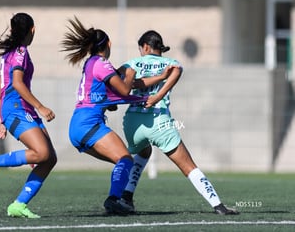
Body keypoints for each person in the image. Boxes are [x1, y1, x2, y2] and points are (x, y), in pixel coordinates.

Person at [118, 30, 239, 215]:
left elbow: (118, 81)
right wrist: (158, 95)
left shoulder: (132, 63)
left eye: (141, 48)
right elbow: (178, 70)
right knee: (188, 166)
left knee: (143, 151)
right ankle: (218, 205)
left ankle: (126, 198)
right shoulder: (169, 63)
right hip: (160, 121)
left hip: (133, 122)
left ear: (145, 47)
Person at [61, 17, 146, 215]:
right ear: (108, 44)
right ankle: (113, 200)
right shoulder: (102, 63)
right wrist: (131, 75)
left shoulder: (90, 63)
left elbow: (99, 94)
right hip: (89, 124)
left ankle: (117, 199)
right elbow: (124, 90)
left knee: (122, 162)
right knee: (126, 159)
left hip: (77, 127)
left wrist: (110, 104)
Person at [0, 12, 57, 219]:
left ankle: (19, 204)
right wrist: (41, 107)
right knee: (42, 154)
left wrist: (0, 117)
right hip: (18, 108)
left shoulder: (10, 53)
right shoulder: (20, 52)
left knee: (49, 159)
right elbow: (18, 84)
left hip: (15, 108)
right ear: (33, 30)